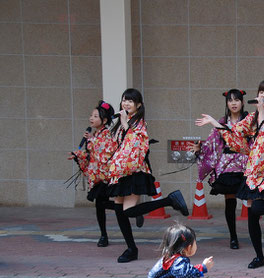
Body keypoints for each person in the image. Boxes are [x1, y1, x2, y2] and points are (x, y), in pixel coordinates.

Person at [195, 79, 264, 269]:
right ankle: (259, 257)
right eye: (261, 92)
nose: (262, 95)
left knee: (256, 210)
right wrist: (215, 122)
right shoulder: (253, 117)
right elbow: (236, 132)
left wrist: (262, 112)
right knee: (252, 215)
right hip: (254, 170)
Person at [107, 88, 189, 263]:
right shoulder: (123, 122)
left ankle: (170, 200)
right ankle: (131, 248)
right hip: (120, 172)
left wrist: (124, 124)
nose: (126, 103)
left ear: (138, 105)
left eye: (130, 101)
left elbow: (136, 143)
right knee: (118, 209)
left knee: (127, 211)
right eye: (124, 100)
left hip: (135, 171)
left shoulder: (139, 123)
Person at [192, 89, 249, 250]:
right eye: (230, 100)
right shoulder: (222, 121)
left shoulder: (249, 120)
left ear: (242, 102)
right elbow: (212, 142)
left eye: (237, 100)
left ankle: (253, 232)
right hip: (227, 165)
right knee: (229, 200)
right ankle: (233, 237)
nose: (233, 103)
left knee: (251, 200)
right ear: (227, 103)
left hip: (245, 163)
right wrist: (200, 148)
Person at [68, 100, 118, 247]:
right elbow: (91, 155)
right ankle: (103, 235)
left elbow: (105, 153)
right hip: (97, 176)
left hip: (105, 176)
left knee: (101, 203)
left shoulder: (107, 134)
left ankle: (128, 210)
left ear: (104, 120)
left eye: (95, 116)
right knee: (99, 204)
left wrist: (92, 142)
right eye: (91, 115)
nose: (91, 118)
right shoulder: (95, 135)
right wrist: (77, 155)